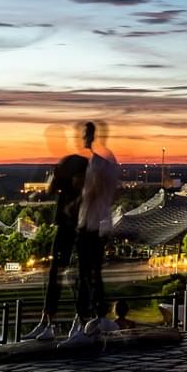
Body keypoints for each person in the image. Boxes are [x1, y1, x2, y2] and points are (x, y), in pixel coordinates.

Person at [22, 125, 88, 341]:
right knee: (54, 275)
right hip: (65, 225)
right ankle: (47, 322)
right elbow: (51, 190)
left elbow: (83, 188)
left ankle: (80, 323)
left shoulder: (77, 162)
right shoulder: (66, 162)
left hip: (79, 226)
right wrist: (55, 176)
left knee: (76, 276)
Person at [61, 120, 122, 347]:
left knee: (82, 275)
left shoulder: (97, 163)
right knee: (93, 274)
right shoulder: (109, 162)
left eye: (84, 134)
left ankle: (82, 324)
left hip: (90, 226)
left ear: (92, 135)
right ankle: (97, 320)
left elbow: (93, 192)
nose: (81, 137)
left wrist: (75, 201)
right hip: (100, 226)